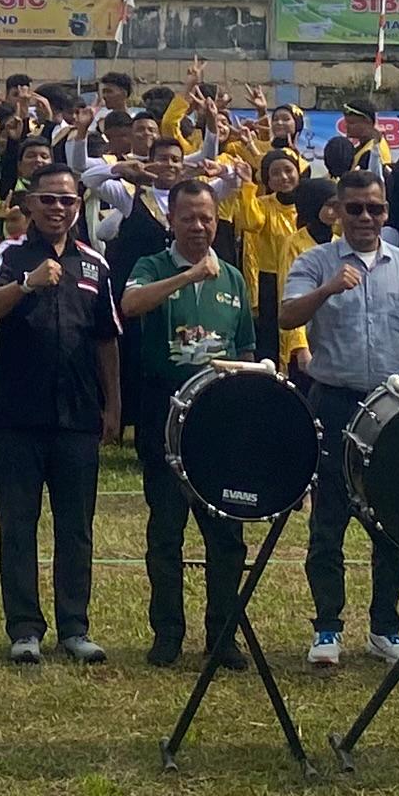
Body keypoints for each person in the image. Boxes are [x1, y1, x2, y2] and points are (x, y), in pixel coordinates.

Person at [0, 165, 123, 665]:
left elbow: (106, 339)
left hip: (78, 415)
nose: (59, 209)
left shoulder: (94, 262)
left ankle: (75, 627)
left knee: (75, 526)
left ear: (79, 205)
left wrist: (113, 404)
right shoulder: (9, 255)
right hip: (18, 413)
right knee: (19, 524)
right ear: (29, 204)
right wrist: (28, 285)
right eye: (49, 200)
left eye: (68, 201)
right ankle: (25, 629)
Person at [278, 166, 399, 668]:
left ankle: (385, 626)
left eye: (376, 208)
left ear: (386, 212)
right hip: (335, 400)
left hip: (393, 403)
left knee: (393, 518)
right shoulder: (313, 261)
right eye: (356, 208)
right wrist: (326, 291)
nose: (366, 217)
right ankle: (327, 628)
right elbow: (285, 317)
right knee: (330, 520)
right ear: (337, 212)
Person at [118, 175, 258, 669]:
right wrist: (188, 276)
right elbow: (130, 305)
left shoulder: (235, 278)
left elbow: (245, 349)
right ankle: (167, 632)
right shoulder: (152, 265)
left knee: (227, 535)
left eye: (207, 218)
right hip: (163, 412)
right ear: (170, 220)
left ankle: (223, 635)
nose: (199, 226)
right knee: (167, 531)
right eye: (188, 218)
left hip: (219, 419)